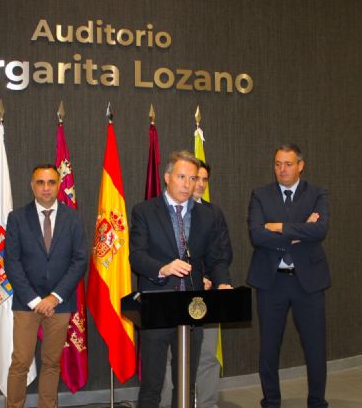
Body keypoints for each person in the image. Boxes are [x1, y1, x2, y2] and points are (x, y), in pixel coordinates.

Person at [130, 151, 233, 408]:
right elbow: (137, 257)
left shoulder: (207, 215)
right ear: (167, 177)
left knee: (186, 383)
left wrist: (222, 282)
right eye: (182, 177)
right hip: (157, 303)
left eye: (193, 178)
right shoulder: (144, 211)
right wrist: (163, 268)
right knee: (153, 384)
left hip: (194, 306)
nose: (188, 184)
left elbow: (217, 258)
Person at [247, 144, 330, 408]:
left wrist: (280, 227)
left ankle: (317, 402)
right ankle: (271, 401)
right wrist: (300, 230)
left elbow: (320, 230)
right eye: (277, 164)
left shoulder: (317, 193)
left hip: (309, 282)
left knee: (315, 347)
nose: (282, 169)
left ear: (301, 165)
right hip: (272, 282)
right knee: (269, 348)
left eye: (288, 164)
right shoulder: (260, 194)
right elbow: (257, 234)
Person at [5, 164, 87, 408]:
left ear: (59, 184)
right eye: (40, 182)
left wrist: (54, 297)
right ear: (32, 185)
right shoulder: (17, 218)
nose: (46, 188)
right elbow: (12, 262)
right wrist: (34, 300)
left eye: (51, 182)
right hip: (25, 303)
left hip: (59, 305)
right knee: (20, 362)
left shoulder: (73, 218)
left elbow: (79, 260)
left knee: (51, 363)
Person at [159, 160, 234, 408]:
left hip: (207, 296)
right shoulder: (164, 211)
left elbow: (222, 254)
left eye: (202, 180)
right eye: (193, 178)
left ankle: (207, 404)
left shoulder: (213, 213)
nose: (197, 184)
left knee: (206, 356)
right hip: (173, 294)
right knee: (171, 357)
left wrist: (214, 279)